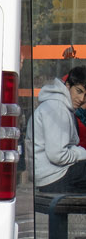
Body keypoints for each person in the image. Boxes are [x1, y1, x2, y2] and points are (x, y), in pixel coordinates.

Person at [33, 65, 86, 194]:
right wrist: (82, 152)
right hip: (54, 177)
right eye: (78, 91)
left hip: (51, 174)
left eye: (85, 95)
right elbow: (58, 155)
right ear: (68, 86)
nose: (82, 99)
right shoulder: (57, 108)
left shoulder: (61, 106)